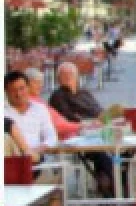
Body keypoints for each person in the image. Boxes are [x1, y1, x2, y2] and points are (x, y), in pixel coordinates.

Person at [47, 63, 116, 198]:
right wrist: (90, 122)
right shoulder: (58, 96)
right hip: (78, 136)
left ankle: (114, 183)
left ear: (77, 76)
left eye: (71, 75)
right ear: (58, 79)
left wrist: (107, 118)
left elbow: (99, 110)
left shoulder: (84, 92)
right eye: (64, 75)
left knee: (122, 149)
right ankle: (112, 188)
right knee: (101, 153)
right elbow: (68, 118)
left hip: (98, 129)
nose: (68, 78)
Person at [4, 72, 56, 164]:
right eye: (13, 90)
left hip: (36, 158)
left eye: (22, 88)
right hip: (11, 160)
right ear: (6, 92)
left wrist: (39, 148)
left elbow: (51, 136)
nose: (18, 94)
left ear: (28, 88)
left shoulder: (40, 109)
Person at [23, 67, 80, 140]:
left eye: (41, 83)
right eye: (36, 83)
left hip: (71, 133)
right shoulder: (32, 103)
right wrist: (80, 126)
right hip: (63, 140)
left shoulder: (39, 101)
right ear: (26, 85)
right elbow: (55, 126)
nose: (40, 86)